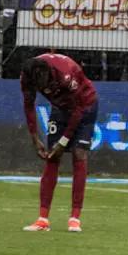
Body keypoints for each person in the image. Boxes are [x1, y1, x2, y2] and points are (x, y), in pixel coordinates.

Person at [20, 52, 98, 233]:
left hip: (86, 106)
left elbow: (78, 109)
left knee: (79, 153)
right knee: (52, 156)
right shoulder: (27, 77)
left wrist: (64, 141)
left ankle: (75, 218)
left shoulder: (66, 74)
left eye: (44, 81)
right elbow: (28, 105)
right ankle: (42, 219)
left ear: (48, 73)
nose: (42, 87)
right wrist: (34, 137)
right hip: (61, 109)